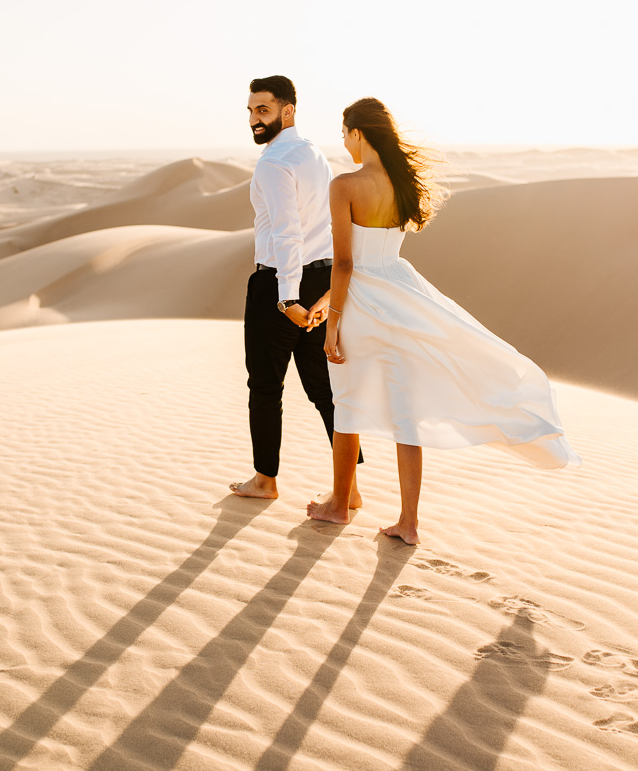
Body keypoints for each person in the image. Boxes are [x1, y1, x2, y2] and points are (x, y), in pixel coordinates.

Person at [306, 97, 580, 544]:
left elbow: (344, 263)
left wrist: (332, 320)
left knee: (348, 402)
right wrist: (326, 301)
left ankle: (339, 505)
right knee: (405, 413)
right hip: (402, 296)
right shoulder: (402, 183)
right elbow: (370, 261)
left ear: (358, 133)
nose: (343, 142)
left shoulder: (345, 185)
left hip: (361, 306)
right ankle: (408, 523)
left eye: (343, 133)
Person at [230, 76, 363, 503]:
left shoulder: (273, 163)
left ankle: (265, 480)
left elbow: (287, 234)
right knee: (325, 388)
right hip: (321, 279)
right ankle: (350, 489)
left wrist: (287, 297)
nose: (254, 119)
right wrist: (320, 292)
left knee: (266, 386)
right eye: (251, 111)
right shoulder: (312, 155)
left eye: (263, 110)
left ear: (287, 111)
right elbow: (322, 225)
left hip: (279, 284)